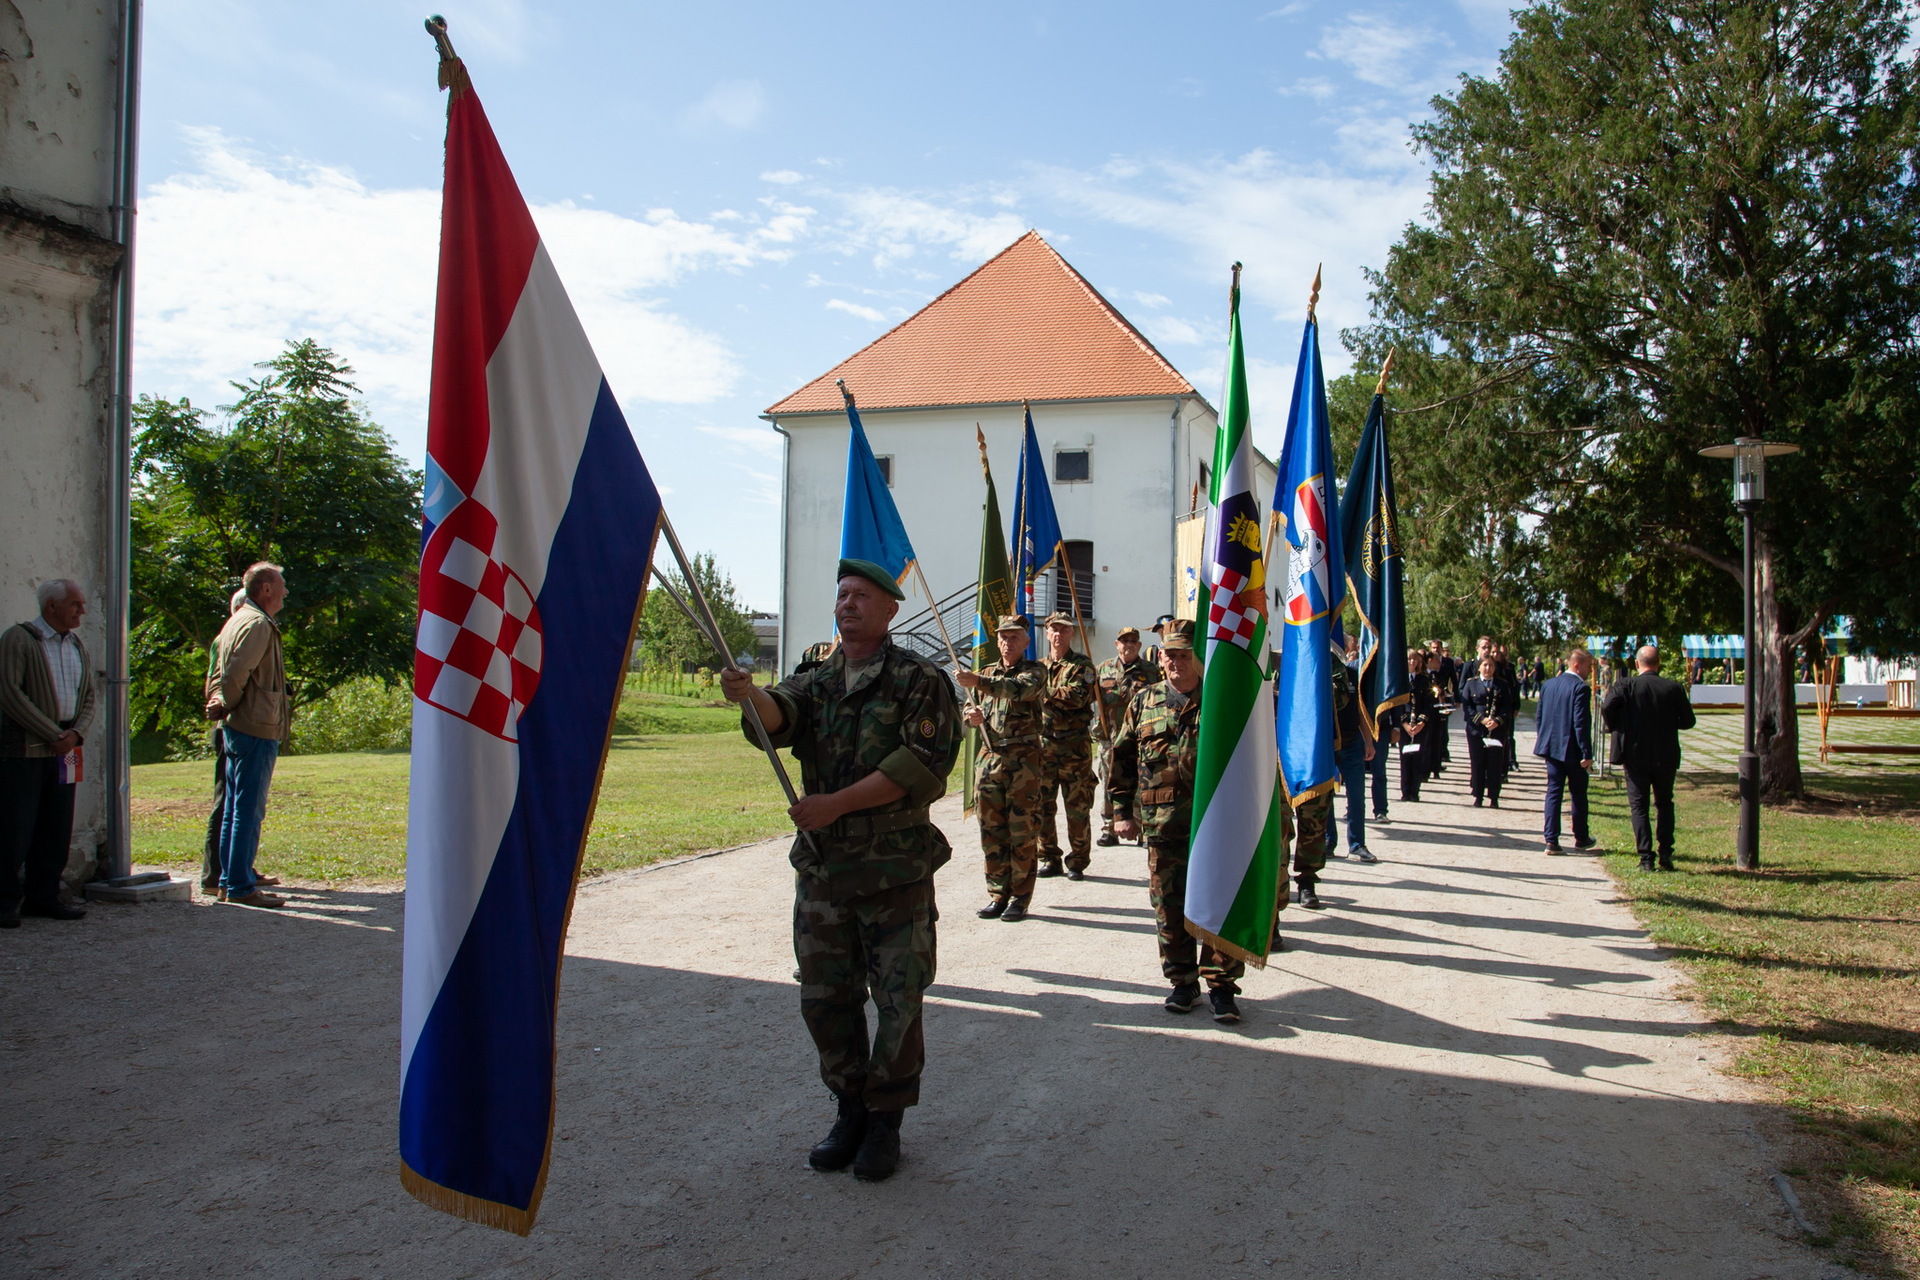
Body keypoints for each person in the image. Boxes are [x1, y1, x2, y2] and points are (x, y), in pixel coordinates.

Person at [720, 558, 960, 1182]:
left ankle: (886, 1120)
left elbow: (920, 767)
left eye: (861, 595)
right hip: (825, 872)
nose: (847, 603)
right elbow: (782, 717)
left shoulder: (920, 679)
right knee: (825, 997)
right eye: (842, 594)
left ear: (890, 609)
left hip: (894, 872)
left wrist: (835, 805)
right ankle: (849, 1107)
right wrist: (752, 699)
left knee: (899, 999)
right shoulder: (817, 678)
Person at [1107, 619, 1245, 1023]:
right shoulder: (1144, 700)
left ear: (1196, 659)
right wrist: (1120, 812)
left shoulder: (1221, 700)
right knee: (1169, 908)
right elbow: (1123, 759)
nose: (1176, 663)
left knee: (1219, 907)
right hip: (1162, 825)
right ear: (1160, 657)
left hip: (1216, 827)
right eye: (1170, 655)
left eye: (1184, 655)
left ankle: (1222, 987)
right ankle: (1183, 984)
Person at [0, 579, 97, 926]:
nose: (81, 611)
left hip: (65, 747)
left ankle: (43, 896)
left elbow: (88, 695)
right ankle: (4, 902)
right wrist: (52, 732)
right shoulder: (20, 639)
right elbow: (10, 692)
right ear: (51, 606)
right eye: (75, 604)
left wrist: (75, 733)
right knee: (15, 827)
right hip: (26, 749)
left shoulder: (76, 644)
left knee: (56, 825)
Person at [206, 562, 293, 909]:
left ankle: (230, 880)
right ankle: (241, 885)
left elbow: (220, 671)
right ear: (267, 589)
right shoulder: (257, 623)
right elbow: (236, 672)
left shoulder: (238, 619)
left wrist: (220, 703)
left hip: (239, 726)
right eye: (282, 584)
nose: (286, 591)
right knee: (247, 810)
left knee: (234, 809)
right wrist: (226, 703)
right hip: (254, 725)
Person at [957, 615, 1045, 921]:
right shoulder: (985, 673)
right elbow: (968, 710)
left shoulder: (1034, 671)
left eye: (1015, 637)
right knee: (991, 830)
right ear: (997, 641)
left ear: (1026, 641)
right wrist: (972, 717)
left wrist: (978, 681)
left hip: (1023, 762)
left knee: (1021, 831)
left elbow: (1019, 690)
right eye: (1004, 637)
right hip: (990, 758)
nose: (1008, 642)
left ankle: (1020, 897)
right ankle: (998, 893)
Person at [1601, 644, 1697, 871]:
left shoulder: (1626, 685)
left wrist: (1617, 725)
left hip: (1634, 754)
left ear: (1637, 664)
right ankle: (1666, 853)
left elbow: (1607, 706)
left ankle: (1645, 857)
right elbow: (1688, 720)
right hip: (1665, 753)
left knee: (1639, 806)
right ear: (1659, 663)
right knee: (1665, 803)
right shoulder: (1673, 687)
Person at [1035, 614, 1098, 880]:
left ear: (1071, 633)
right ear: (1047, 633)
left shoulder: (1082, 665)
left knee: (1077, 807)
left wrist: (1037, 692)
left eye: (1063, 630)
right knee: (1042, 806)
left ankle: (1078, 861)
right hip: (1044, 746)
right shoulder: (1036, 667)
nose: (1058, 634)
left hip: (1074, 748)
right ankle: (1049, 857)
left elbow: (1076, 696)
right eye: (1053, 629)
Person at [1094, 625, 1162, 847]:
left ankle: (1142, 829)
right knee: (1109, 784)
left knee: (1141, 781)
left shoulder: (1151, 671)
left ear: (1139, 645)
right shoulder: (1103, 670)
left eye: (1133, 641)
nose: (1129, 645)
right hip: (1111, 738)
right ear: (1117, 645)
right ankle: (1109, 829)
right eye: (1124, 641)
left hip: (1139, 738)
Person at [1534, 647, 1599, 856]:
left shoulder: (1549, 684)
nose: (1590, 671)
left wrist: (1543, 740)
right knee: (1578, 793)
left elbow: (1540, 717)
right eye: (1589, 666)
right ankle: (1581, 837)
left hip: (1551, 747)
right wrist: (1586, 752)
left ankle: (1551, 840)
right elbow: (1581, 722)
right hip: (1572, 749)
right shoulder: (1580, 688)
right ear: (1577, 665)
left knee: (1553, 791)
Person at [1328, 652, 1380, 863]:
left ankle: (1357, 844)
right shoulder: (1316, 673)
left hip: (1352, 743)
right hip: (1327, 745)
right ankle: (1328, 841)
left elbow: (1361, 711)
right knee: (1326, 797)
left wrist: (1368, 742)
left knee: (1357, 796)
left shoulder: (1352, 675)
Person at [1460, 655, 1515, 808]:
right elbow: (1468, 706)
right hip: (1476, 731)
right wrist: (1482, 720)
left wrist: (1497, 721)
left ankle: (1494, 797)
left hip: (1496, 731)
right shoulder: (1471, 684)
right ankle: (1478, 796)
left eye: (1491, 665)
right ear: (1479, 667)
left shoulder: (1502, 685)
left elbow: (1506, 707)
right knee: (1478, 763)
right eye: (1484, 665)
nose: (1488, 668)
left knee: (1495, 764)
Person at [1386, 648, 1435, 802]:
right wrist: (1404, 723)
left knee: (1418, 758)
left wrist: (1422, 722)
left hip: (1420, 725)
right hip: (1404, 725)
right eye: (1409, 659)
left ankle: (1415, 791)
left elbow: (1428, 703)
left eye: (1415, 659)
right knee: (1405, 758)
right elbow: (1396, 703)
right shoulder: (1399, 680)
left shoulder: (1424, 680)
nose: (1412, 662)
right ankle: (1405, 791)